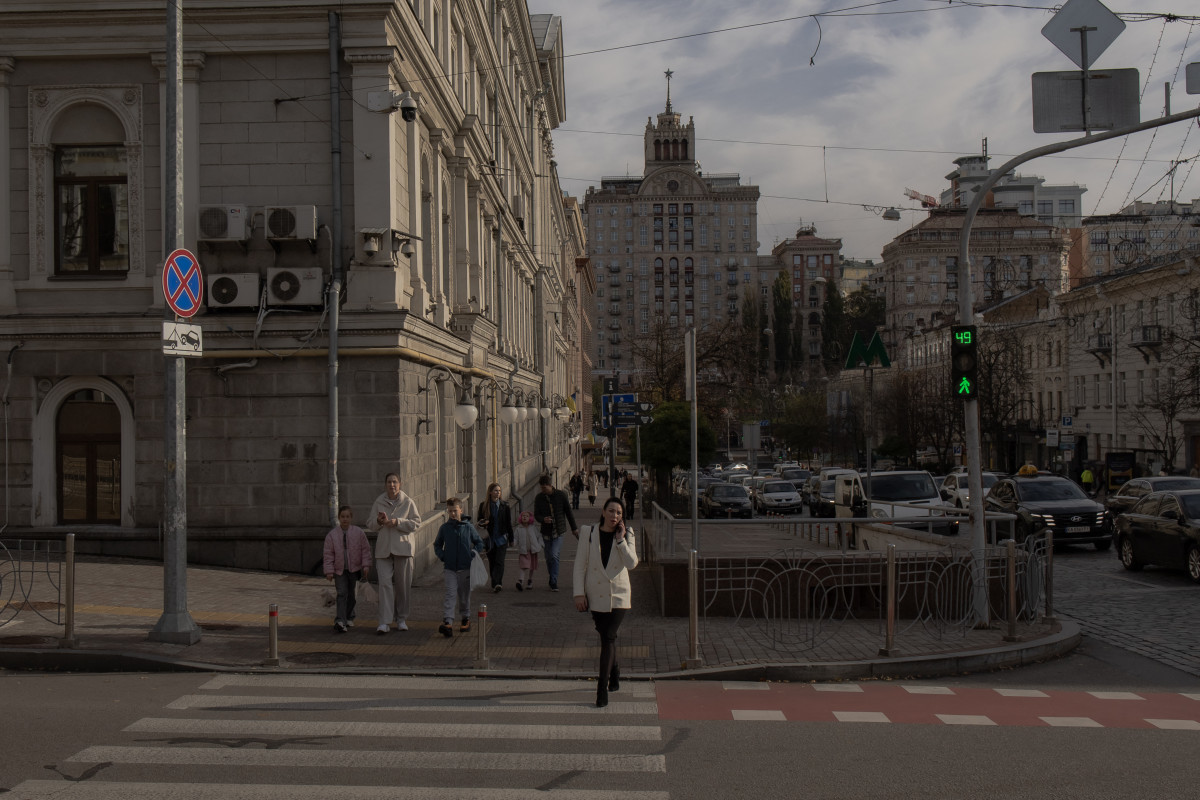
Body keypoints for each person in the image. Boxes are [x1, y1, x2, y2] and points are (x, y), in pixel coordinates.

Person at [573, 496, 638, 708]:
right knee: (606, 637)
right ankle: (615, 671)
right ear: (603, 511)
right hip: (596, 594)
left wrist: (620, 541)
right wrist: (578, 593)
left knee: (609, 636)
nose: (614, 516)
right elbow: (579, 565)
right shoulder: (588, 533)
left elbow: (632, 564)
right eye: (611, 511)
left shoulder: (627, 534)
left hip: (619, 594)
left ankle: (601, 689)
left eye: (619, 513)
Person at [366, 472, 422, 634]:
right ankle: (384, 621)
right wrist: (379, 521)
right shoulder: (379, 502)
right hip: (384, 550)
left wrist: (397, 522)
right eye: (389, 482)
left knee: (402, 586)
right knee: (384, 584)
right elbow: (370, 524)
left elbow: (416, 523)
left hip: (403, 549)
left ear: (400, 484)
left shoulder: (408, 502)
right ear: (385, 485)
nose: (392, 485)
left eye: (395, 482)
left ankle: (401, 618)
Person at [433, 497, 485, 637]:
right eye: (450, 511)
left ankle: (465, 618)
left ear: (461, 510)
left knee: (464, 595)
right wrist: (443, 555)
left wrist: (473, 554)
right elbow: (437, 544)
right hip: (450, 568)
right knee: (450, 594)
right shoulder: (445, 528)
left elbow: (479, 542)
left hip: (465, 567)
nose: (453, 514)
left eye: (455, 511)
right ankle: (448, 622)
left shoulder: (468, 527)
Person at [322, 505, 371, 633]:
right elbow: (328, 554)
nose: (345, 519)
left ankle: (349, 616)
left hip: (354, 570)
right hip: (339, 571)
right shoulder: (332, 535)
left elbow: (365, 550)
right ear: (339, 518)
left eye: (347, 517)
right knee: (342, 593)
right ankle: (340, 620)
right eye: (342, 517)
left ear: (351, 518)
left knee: (352, 596)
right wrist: (329, 571)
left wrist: (366, 565)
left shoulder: (358, 533)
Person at [533, 474, 579, 591]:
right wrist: (543, 519)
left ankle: (554, 581)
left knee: (554, 554)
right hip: (546, 532)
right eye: (541, 488)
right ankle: (552, 576)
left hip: (559, 531)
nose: (543, 490)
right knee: (548, 557)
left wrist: (574, 528)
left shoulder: (560, 495)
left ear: (550, 485)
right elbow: (536, 515)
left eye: (544, 488)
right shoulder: (539, 498)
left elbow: (568, 512)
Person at [476, 482, 514, 593]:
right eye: (496, 491)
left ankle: (498, 583)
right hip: (489, 539)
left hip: (501, 538)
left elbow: (508, 523)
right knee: (492, 561)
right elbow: (479, 521)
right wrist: (484, 522)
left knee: (500, 561)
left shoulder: (504, 506)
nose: (498, 493)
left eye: (499, 491)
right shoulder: (484, 506)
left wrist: (511, 539)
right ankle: (494, 582)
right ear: (490, 492)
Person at [513, 510, 543, 591]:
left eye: (526, 516)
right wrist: (513, 543)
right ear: (520, 518)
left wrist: (540, 545)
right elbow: (515, 538)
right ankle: (521, 581)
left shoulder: (533, 527)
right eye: (523, 516)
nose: (524, 517)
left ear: (530, 518)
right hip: (523, 551)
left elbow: (539, 536)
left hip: (533, 550)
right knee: (523, 566)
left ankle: (530, 580)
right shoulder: (518, 528)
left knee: (532, 566)